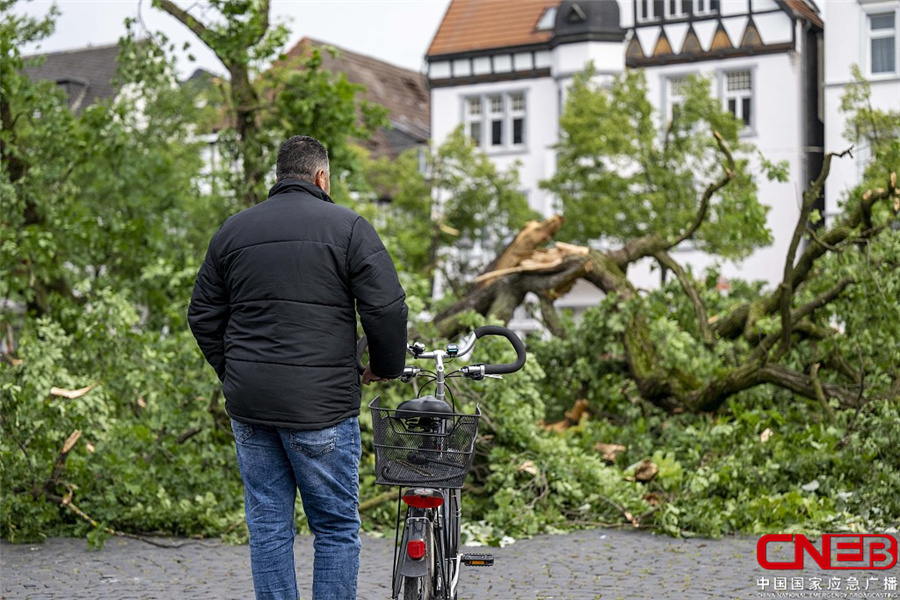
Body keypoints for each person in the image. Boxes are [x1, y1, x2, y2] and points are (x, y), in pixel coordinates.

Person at [188, 135, 408, 600]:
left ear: (279, 176)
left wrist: (235, 373)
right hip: (322, 408)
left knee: (268, 526)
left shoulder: (233, 230)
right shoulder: (348, 228)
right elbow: (386, 309)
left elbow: (202, 314)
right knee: (334, 527)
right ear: (321, 177)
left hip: (251, 407)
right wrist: (384, 367)